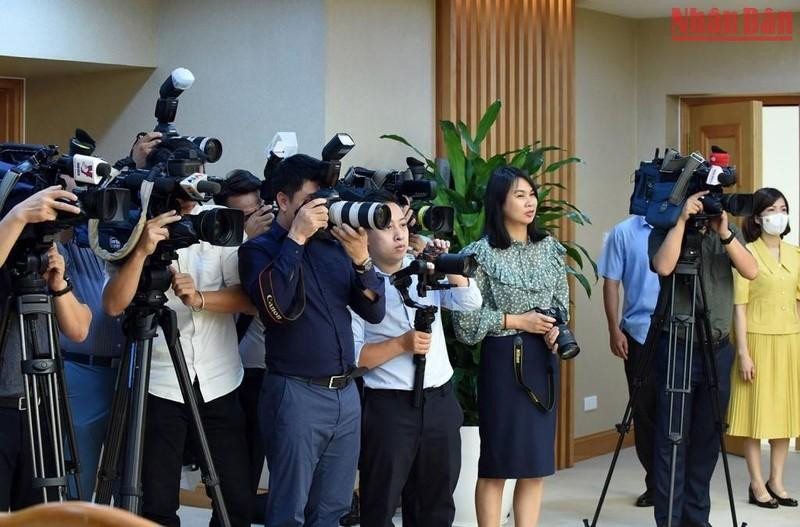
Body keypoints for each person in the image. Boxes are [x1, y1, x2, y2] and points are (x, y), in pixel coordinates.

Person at [103, 138, 254, 527]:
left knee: (234, 497)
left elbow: (249, 300)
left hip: (219, 378)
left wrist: (200, 297)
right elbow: (114, 304)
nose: (193, 187)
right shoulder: (134, 220)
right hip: (159, 381)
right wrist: (140, 251)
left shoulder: (219, 220)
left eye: (198, 175)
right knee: (155, 503)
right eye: (184, 177)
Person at [238, 153, 385, 526]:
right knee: (289, 510)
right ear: (283, 201)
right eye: (309, 202)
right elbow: (274, 308)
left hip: (346, 394)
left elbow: (374, 312)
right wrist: (297, 237)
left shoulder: (336, 247)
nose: (320, 211)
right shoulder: (259, 250)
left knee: (333, 509)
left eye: (324, 201)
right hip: (295, 393)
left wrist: (362, 260)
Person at [352, 190, 482, 526]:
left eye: (403, 225)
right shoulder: (357, 285)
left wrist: (444, 262)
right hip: (388, 407)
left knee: (436, 505)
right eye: (386, 226)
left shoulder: (423, 269)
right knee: (380, 504)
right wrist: (402, 344)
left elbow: (470, 302)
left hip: (439, 401)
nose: (399, 234)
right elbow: (355, 358)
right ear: (363, 232)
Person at [452, 166, 567, 527]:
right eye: (520, 195)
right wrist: (518, 321)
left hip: (543, 361)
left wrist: (554, 328)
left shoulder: (549, 248)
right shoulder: (479, 255)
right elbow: (466, 325)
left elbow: (561, 304)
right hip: (503, 364)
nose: (530, 201)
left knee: (534, 467)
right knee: (497, 465)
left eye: (531, 194)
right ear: (499, 202)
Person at [649, 190, 758, 527]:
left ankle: (697, 519)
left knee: (708, 439)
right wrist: (681, 220)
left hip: (717, 348)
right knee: (672, 439)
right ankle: (669, 519)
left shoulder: (725, 231)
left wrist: (724, 230)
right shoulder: (663, 228)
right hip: (678, 346)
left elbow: (751, 270)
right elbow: (663, 266)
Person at [0, 187, 92, 510]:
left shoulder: (45, 261)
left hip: (42, 409)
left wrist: (59, 286)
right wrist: (17, 216)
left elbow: (79, 329)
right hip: (2, 408)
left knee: (43, 515)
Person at [727, 187, 800, 509]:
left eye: (782, 208)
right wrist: (743, 353)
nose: (778, 214)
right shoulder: (747, 253)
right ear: (757, 217)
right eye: (771, 210)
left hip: (789, 341)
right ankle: (757, 485)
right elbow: (739, 307)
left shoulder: (796, 254)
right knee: (755, 416)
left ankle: (778, 481)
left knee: (785, 416)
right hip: (756, 340)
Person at [216, 168, 274, 522]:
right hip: (248, 372)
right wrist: (246, 241)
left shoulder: (285, 237)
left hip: (291, 371)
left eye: (258, 208)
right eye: (245, 214)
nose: (256, 217)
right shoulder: (221, 244)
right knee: (243, 475)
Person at [598, 215, 660, 507]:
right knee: (645, 413)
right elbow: (611, 283)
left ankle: (679, 481)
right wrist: (614, 329)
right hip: (638, 333)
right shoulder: (622, 232)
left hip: (682, 334)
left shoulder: (681, 224)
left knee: (679, 413)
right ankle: (655, 482)